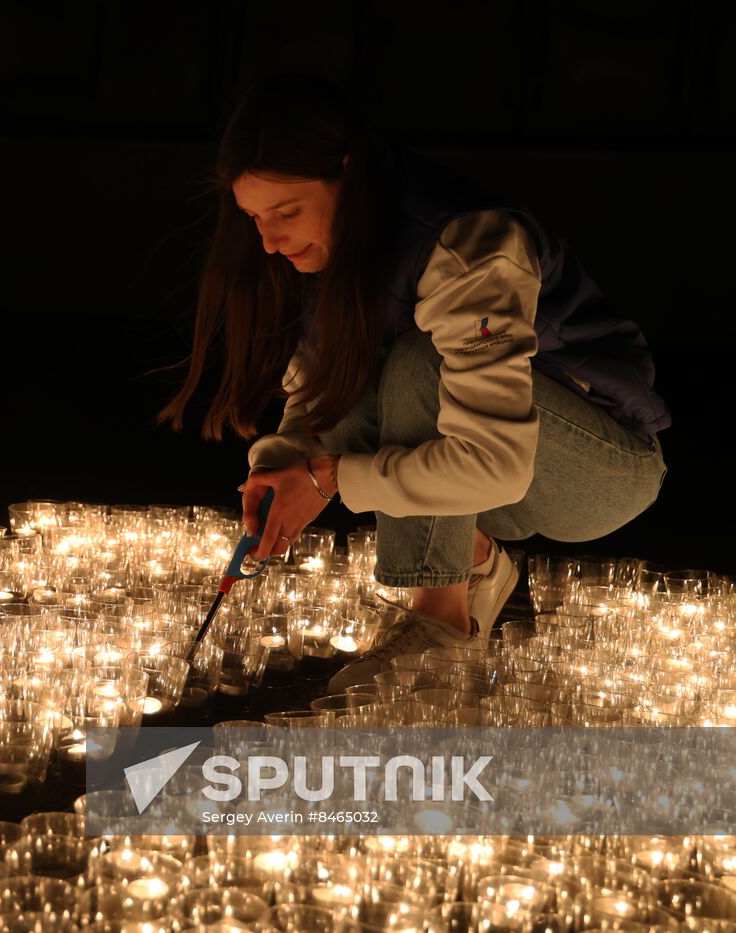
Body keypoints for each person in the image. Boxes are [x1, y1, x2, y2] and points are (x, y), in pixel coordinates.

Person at [159, 75, 669, 690]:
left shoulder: (468, 245)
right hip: (492, 487)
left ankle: (440, 622)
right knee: (357, 388)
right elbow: (319, 397)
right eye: (254, 218)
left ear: (349, 174)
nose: (269, 240)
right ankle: (474, 557)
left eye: (286, 212)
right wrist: (285, 468)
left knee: (417, 364)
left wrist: (326, 479)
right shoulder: (309, 258)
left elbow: (497, 465)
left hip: (595, 472)